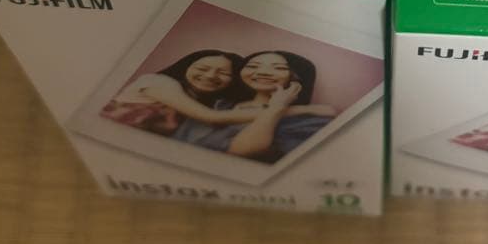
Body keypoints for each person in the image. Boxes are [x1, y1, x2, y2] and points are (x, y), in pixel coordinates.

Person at [174, 50, 337, 163]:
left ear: (297, 77)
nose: (263, 72)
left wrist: (277, 108)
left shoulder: (309, 120)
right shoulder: (220, 104)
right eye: (253, 66)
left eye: (279, 68)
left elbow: (241, 152)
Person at [101, 49, 267, 136]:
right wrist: (276, 110)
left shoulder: (217, 105)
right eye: (202, 68)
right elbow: (212, 117)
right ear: (185, 67)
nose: (210, 76)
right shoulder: (157, 82)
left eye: (223, 73)